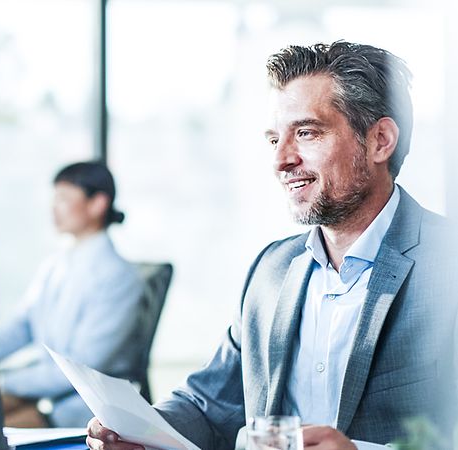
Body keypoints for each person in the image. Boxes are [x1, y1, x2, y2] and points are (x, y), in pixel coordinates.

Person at [86, 41, 458, 449]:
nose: (281, 160)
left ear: (380, 141)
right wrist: (139, 430)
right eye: (272, 139)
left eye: (306, 132)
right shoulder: (272, 269)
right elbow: (208, 405)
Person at [0, 161, 144, 428]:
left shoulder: (118, 276)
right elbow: (23, 325)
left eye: (64, 198)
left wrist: (4, 380)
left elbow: (81, 369)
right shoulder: (55, 264)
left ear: (97, 203)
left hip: (85, 403)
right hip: (50, 388)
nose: (54, 207)